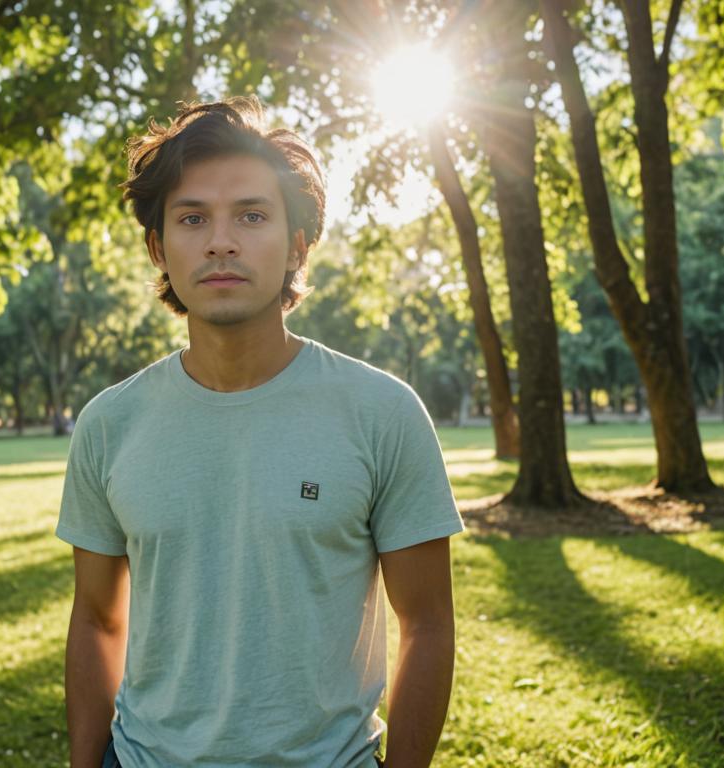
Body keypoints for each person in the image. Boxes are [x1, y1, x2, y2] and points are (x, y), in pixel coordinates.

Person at [58, 96, 464, 768]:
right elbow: (98, 620)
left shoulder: (382, 413)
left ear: (297, 243)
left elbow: (426, 625)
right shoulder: (109, 423)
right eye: (193, 219)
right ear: (159, 246)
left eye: (252, 215)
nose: (222, 241)